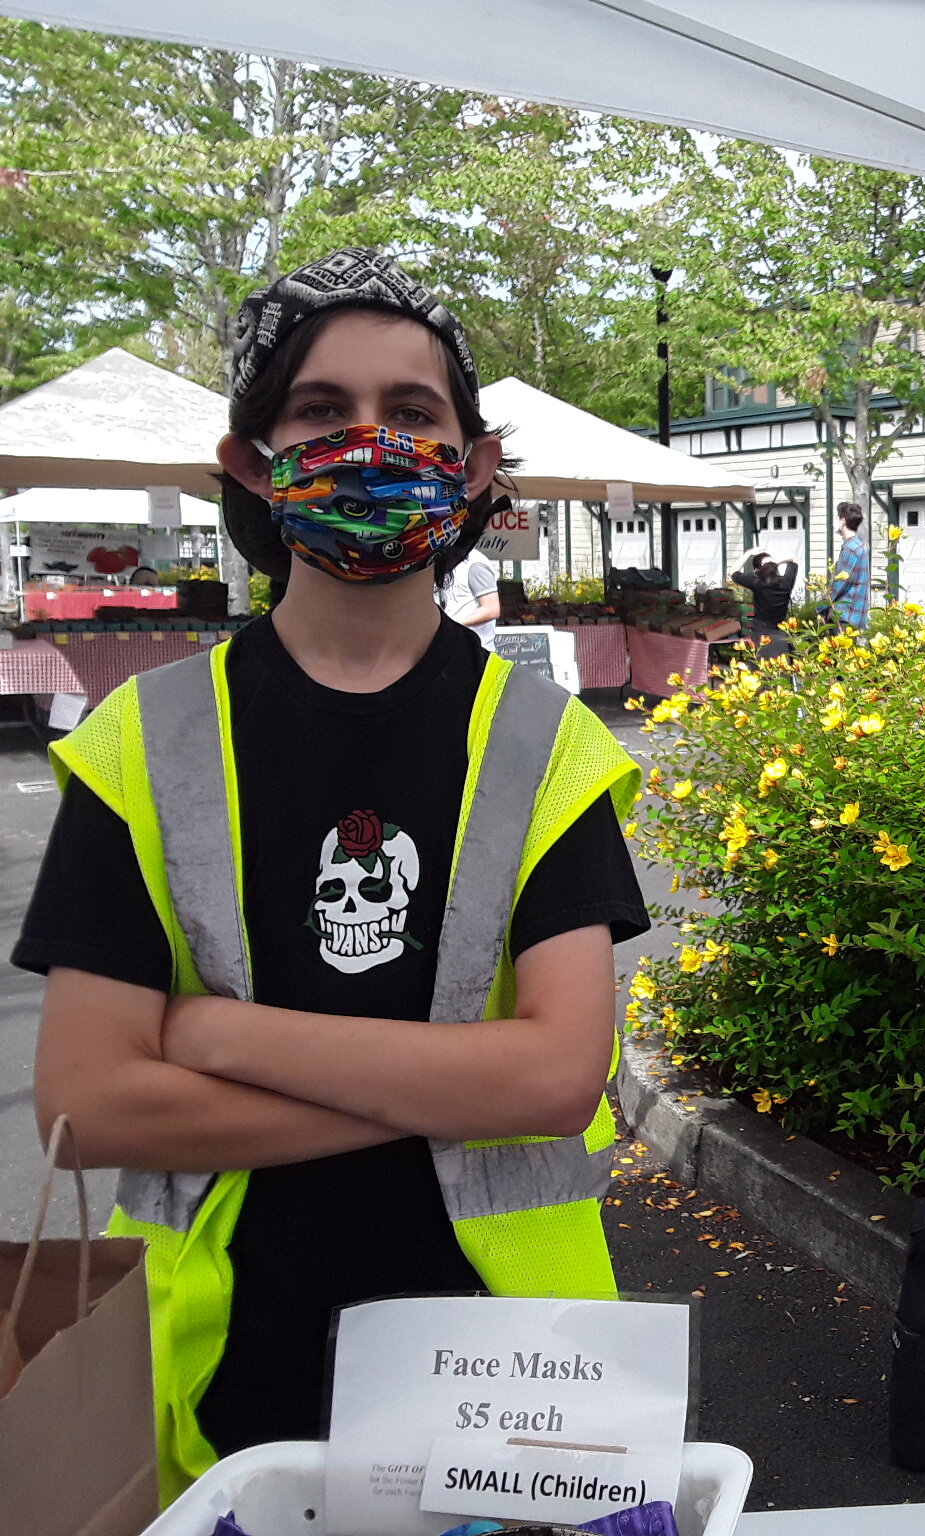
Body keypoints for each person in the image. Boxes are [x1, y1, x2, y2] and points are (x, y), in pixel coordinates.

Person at [18, 247, 650, 1500]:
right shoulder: (137, 747)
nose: (369, 442)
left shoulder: (546, 748)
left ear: (471, 466)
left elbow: (555, 1079)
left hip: (510, 1394)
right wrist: (453, 1086)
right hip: (210, 1383)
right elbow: (87, 1110)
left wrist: (212, 1034)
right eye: (322, 412)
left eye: (411, 413)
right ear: (252, 463)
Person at [439, 544, 502, 648]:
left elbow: (491, 609)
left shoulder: (475, 565)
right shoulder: (447, 563)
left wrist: (454, 626)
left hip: (475, 648)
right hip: (453, 645)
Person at [827, 501, 871, 628]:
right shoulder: (860, 545)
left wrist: (822, 606)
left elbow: (840, 583)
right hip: (856, 615)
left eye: (837, 518)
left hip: (844, 616)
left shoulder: (850, 548)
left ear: (842, 521)